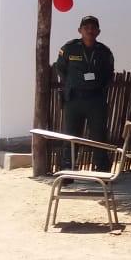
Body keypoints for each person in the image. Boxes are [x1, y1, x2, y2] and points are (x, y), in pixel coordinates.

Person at [54, 16, 115, 171]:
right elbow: (60, 68)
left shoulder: (104, 51)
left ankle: (102, 171)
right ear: (79, 30)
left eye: (93, 28)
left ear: (98, 31)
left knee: (99, 136)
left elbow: (109, 74)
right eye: (86, 27)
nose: (90, 30)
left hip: (96, 100)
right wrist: (73, 83)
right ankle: (67, 170)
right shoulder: (69, 48)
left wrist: (97, 87)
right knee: (71, 136)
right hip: (74, 99)